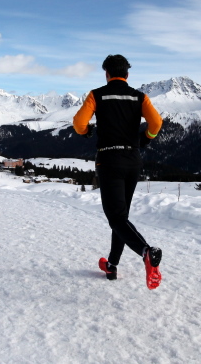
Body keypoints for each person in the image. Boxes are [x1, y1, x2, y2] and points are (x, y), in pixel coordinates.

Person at [73, 54, 164, 290]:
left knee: (116, 217)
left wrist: (86, 132)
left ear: (107, 74)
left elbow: (78, 123)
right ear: (127, 74)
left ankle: (146, 252)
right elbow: (156, 123)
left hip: (109, 160)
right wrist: (145, 139)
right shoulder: (139, 96)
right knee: (121, 217)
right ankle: (112, 265)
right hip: (132, 161)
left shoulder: (97, 95)